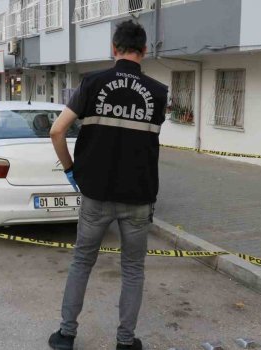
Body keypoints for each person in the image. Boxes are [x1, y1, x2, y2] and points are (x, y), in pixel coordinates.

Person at [47, 20, 168, 350]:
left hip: (96, 194)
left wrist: (71, 171)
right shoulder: (158, 93)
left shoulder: (92, 83)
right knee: (133, 270)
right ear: (144, 51)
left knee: (82, 262)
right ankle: (125, 342)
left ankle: (66, 335)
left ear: (113, 49)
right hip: (139, 197)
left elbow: (57, 131)